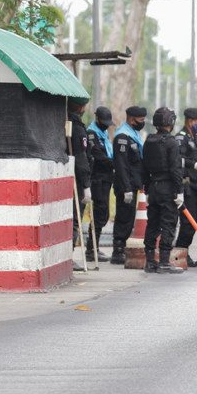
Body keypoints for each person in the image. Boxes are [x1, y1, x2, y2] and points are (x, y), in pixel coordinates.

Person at [141, 107, 184, 274]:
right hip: (167, 187)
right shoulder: (171, 142)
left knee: (152, 224)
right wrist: (179, 190)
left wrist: (146, 188)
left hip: (153, 186)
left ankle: (150, 261)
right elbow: (175, 169)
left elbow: (143, 167)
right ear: (170, 122)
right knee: (168, 223)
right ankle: (164, 261)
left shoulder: (149, 141)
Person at [175, 107, 197, 267]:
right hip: (186, 186)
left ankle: (184, 251)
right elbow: (178, 159)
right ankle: (180, 252)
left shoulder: (194, 137)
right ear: (190, 121)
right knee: (188, 222)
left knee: (193, 220)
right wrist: (194, 164)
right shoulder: (181, 138)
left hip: (196, 187)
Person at [111, 106, 147, 265]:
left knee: (128, 217)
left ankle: (122, 248)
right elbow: (121, 165)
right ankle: (117, 251)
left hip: (132, 185)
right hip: (125, 186)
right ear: (132, 119)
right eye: (141, 120)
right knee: (123, 217)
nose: (143, 123)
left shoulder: (133, 135)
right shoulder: (122, 137)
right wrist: (126, 188)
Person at [85, 106, 114, 263]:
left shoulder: (103, 133)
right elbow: (99, 156)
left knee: (103, 214)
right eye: (104, 122)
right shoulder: (91, 134)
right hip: (97, 179)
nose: (106, 125)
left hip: (106, 178)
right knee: (99, 212)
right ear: (97, 119)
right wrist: (116, 163)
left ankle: (94, 248)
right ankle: (91, 249)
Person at [67, 98, 92, 272]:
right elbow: (81, 159)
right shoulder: (77, 128)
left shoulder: (61, 122)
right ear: (82, 107)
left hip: (64, 177)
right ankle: (68, 256)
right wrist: (86, 184)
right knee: (74, 219)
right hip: (75, 179)